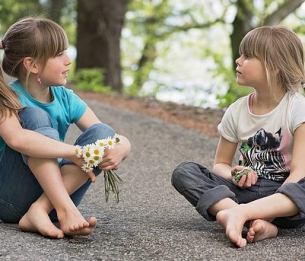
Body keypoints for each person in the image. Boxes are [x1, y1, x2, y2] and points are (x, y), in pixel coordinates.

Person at [171, 25, 305, 248]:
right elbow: (220, 164)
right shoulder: (237, 110)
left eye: (248, 56)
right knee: (185, 172)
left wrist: (266, 214)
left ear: (274, 67)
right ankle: (242, 217)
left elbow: (299, 172)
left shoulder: (297, 108)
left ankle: (236, 215)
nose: (238, 60)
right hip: (243, 192)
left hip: (284, 202)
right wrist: (234, 173)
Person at [0, 17, 131, 238]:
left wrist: (124, 146)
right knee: (34, 116)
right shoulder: (8, 97)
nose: (68, 61)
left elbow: (106, 134)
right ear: (32, 65)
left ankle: (41, 210)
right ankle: (66, 209)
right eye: (59, 54)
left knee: (103, 133)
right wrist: (74, 152)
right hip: (11, 199)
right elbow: (17, 140)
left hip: (53, 198)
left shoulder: (66, 98)